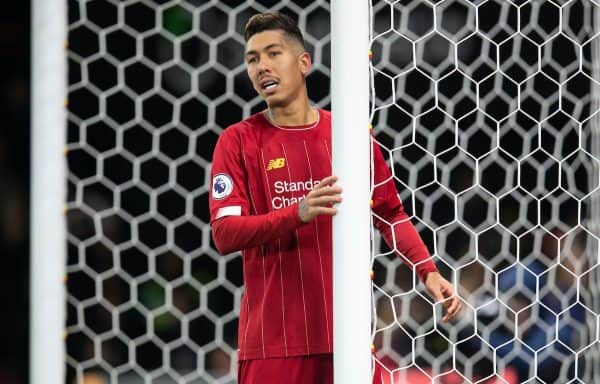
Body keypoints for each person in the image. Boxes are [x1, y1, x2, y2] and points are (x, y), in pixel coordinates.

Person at [209, 12, 462, 384]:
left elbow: (389, 212)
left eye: (273, 53)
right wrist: (298, 212)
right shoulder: (238, 141)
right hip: (273, 345)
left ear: (304, 62)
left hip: (348, 340)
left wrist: (428, 270)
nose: (261, 66)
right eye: (252, 59)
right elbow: (225, 233)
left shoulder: (346, 135)